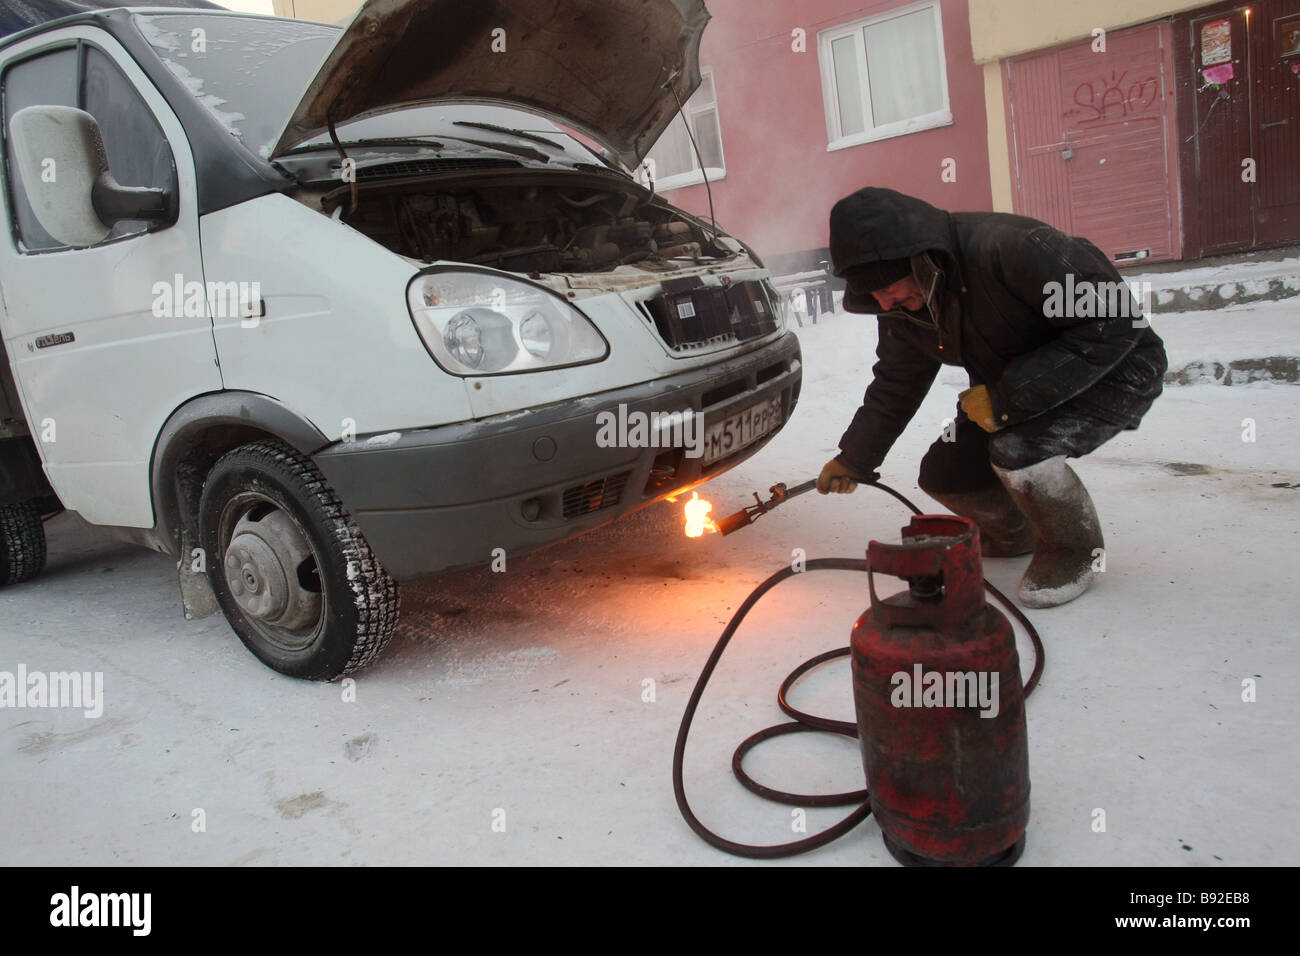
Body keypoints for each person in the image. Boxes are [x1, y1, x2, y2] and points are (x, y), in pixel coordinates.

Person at [816, 187, 1167, 608]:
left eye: (889, 285)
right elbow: (897, 382)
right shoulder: (904, 304)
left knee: (1017, 450)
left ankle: (1074, 551)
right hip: (1015, 389)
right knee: (945, 472)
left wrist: (1005, 396)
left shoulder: (1011, 248)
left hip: (1115, 369)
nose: (885, 300)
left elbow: (1116, 319)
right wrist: (855, 458)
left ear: (920, 259)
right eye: (873, 293)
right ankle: (1017, 533)